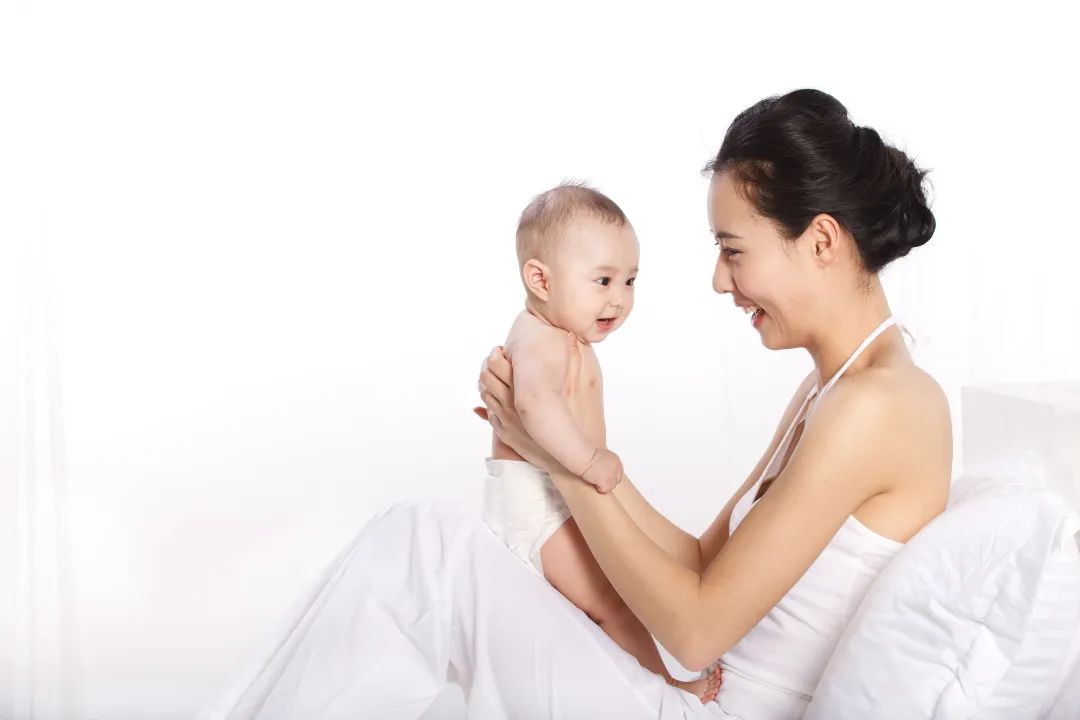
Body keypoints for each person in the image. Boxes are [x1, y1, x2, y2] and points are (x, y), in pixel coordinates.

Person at [196, 88, 952, 720]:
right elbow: (700, 561)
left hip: (713, 708)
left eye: (732, 250)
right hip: (694, 694)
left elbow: (694, 632)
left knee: (426, 547)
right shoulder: (833, 389)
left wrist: (556, 461)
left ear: (821, 241)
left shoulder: (878, 404)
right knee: (418, 543)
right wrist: (582, 450)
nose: (720, 281)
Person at [481, 181, 721, 702]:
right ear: (540, 280)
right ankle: (667, 688)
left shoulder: (559, 333)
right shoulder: (537, 336)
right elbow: (534, 405)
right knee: (610, 601)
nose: (619, 298)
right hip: (533, 507)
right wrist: (589, 460)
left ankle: (629, 688)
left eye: (630, 281)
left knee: (597, 607)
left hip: (551, 499)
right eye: (603, 280)